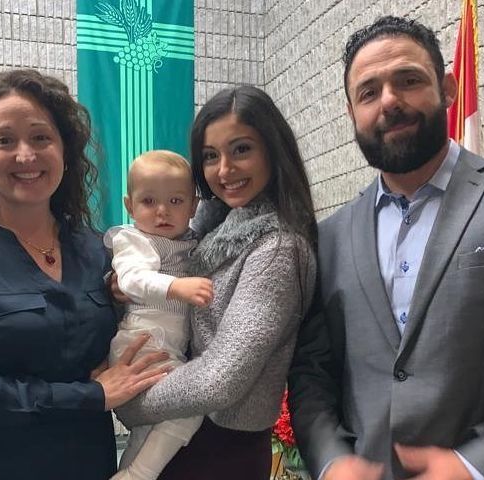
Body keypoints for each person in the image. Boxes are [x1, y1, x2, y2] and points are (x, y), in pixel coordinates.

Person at [288, 15, 484, 480]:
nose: (389, 101)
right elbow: (312, 372)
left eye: (408, 80)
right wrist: (332, 461)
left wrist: (476, 467)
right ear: (352, 112)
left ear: (448, 88)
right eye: (369, 92)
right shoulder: (329, 236)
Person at [0, 69, 170, 480]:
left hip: (83, 459)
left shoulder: (97, 248)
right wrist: (91, 396)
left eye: (40, 137)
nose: (26, 155)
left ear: (65, 150)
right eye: (3, 140)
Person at [114, 85, 317, 479]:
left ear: (273, 151)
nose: (224, 170)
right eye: (210, 156)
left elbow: (220, 380)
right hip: (180, 428)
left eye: (241, 149)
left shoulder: (277, 248)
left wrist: (126, 401)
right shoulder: (205, 234)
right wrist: (119, 284)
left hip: (221, 449)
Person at [106, 150, 211, 480]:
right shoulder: (134, 240)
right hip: (142, 344)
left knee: (148, 430)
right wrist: (176, 288)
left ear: (194, 206)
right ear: (129, 206)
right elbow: (132, 278)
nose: (162, 211)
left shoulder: (190, 241)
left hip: (163, 347)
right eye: (149, 201)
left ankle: (128, 473)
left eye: (176, 201)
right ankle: (140, 474)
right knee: (189, 409)